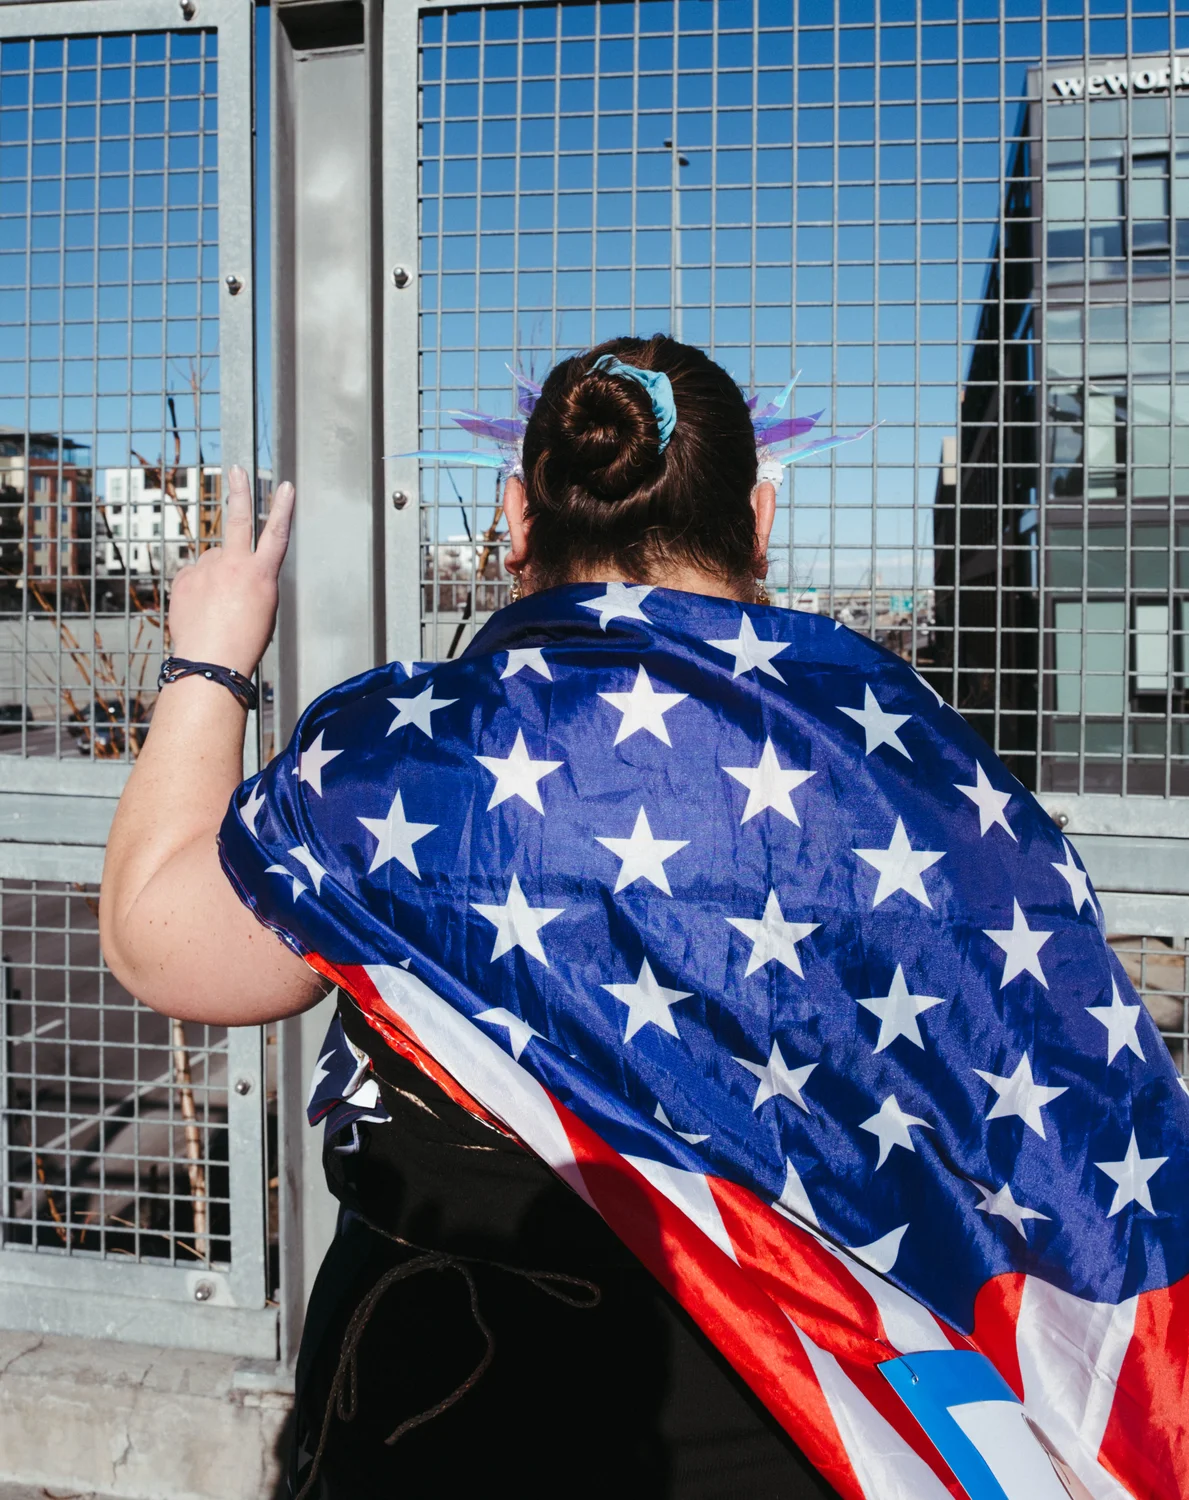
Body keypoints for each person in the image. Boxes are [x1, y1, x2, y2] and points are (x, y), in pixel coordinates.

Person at [101, 337, 1189, 1500]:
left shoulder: (399, 755)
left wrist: (210, 659)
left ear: (515, 516)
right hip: (812, 1431)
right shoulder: (921, 776)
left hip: (434, 1413)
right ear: (760, 517)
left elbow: (160, 944)